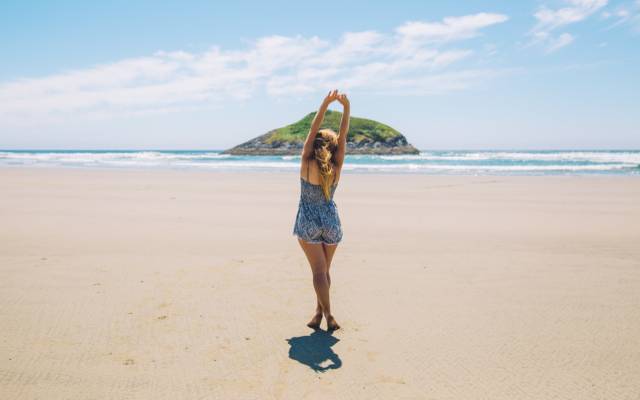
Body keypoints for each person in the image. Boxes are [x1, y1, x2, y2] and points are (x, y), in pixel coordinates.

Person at [292, 89, 350, 331]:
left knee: (318, 271)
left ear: (314, 144)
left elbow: (311, 131)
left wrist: (325, 104)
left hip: (308, 220)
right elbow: (344, 135)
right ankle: (317, 313)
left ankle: (328, 315)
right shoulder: (336, 165)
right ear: (334, 148)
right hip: (331, 221)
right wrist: (346, 108)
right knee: (325, 272)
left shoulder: (306, 162)